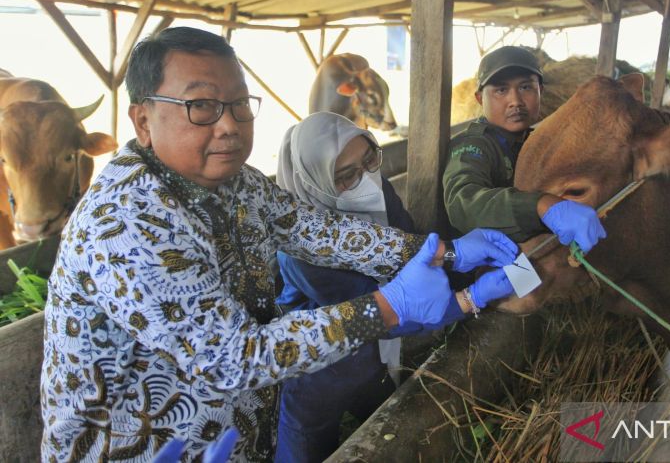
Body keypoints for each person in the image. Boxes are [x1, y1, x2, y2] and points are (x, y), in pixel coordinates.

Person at [39, 26, 517, 462]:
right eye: (201, 106)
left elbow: (321, 232)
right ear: (143, 120)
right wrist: (387, 307)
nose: (229, 125)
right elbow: (232, 359)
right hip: (139, 449)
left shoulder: (236, 182)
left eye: (240, 104)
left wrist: (442, 251)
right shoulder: (126, 223)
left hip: (233, 437)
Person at [274, 112, 477, 462]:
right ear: (314, 181)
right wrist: (469, 299)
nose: (366, 179)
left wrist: (456, 258)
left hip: (373, 359)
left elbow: (409, 250)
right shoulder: (298, 252)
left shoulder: (378, 187)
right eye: (346, 175)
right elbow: (380, 311)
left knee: (389, 426)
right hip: (318, 368)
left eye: (369, 160)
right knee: (309, 445)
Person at [443, 45, 606, 249]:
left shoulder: (539, 142)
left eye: (525, 87)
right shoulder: (473, 145)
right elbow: (464, 203)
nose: (516, 101)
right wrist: (540, 205)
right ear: (479, 98)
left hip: (533, 251)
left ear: (541, 91)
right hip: (481, 261)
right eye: (501, 90)